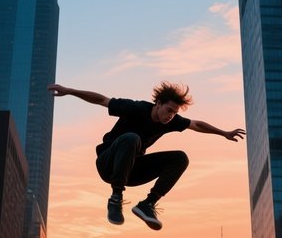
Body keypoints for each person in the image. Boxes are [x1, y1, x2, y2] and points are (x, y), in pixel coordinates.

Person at [47, 81, 245, 230]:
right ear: (157, 104)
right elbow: (101, 100)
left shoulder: (172, 121)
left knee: (180, 158)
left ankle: (147, 204)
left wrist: (224, 133)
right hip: (108, 163)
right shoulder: (136, 108)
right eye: (168, 110)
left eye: (174, 113)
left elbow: (196, 124)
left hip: (132, 171)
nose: (170, 116)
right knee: (132, 138)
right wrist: (70, 91)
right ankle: (116, 198)